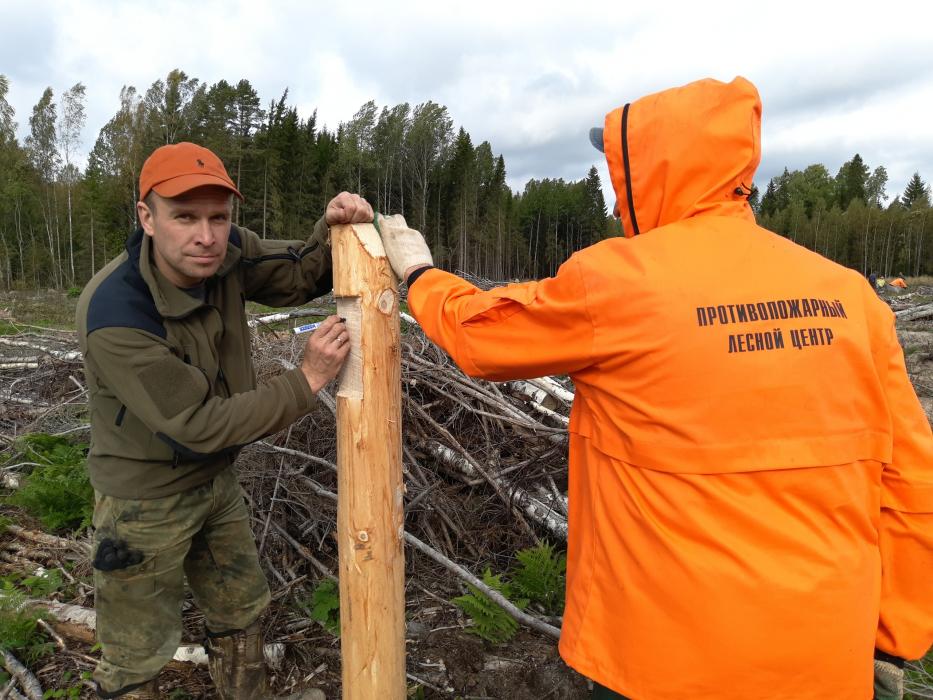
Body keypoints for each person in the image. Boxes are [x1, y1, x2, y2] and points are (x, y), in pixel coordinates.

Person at [376, 77, 933, 699]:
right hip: (827, 658)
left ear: (653, 174)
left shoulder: (619, 282)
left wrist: (419, 272)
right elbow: (912, 481)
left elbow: (481, 337)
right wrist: (893, 635)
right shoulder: (851, 297)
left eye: (620, 173)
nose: (617, 201)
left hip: (661, 662)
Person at [76, 142, 373, 699]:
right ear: (147, 217)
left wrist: (332, 228)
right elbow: (196, 424)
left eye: (219, 216)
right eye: (184, 216)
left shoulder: (225, 252)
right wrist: (304, 380)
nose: (207, 235)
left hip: (214, 481)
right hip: (144, 500)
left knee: (240, 613)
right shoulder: (117, 313)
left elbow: (295, 275)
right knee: (135, 654)